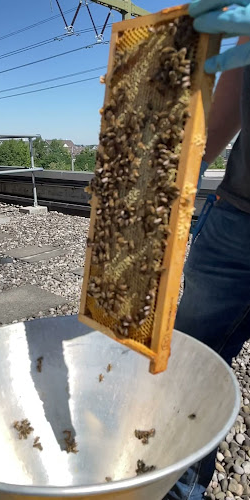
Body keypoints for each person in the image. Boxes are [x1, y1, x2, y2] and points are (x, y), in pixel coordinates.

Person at [165, 1, 250, 499]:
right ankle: (177, 488)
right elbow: (236, 92)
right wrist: (177, 170)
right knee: (186, 368)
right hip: (237, 216)